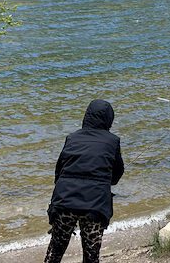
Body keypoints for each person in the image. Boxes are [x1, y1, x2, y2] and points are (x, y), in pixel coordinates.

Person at [44, 99, 124, 263]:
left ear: (86, 116)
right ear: (109, 119)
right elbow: (116, 175)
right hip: (94, 206)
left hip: (65, 201)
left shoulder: (72, 138)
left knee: (54, 253)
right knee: (91, 257)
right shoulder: (113, 141)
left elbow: (59, 171)